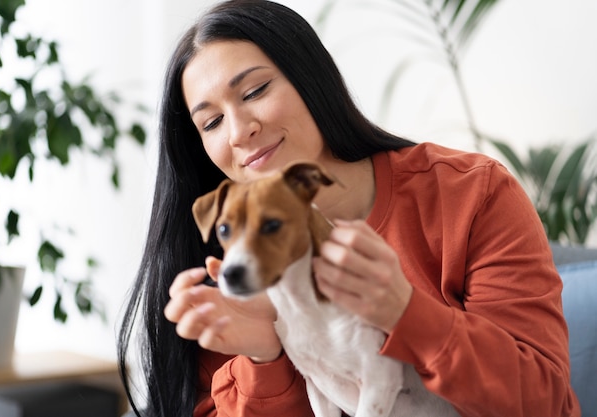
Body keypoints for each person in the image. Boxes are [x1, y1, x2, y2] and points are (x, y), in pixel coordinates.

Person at [117, 1, 580, 416]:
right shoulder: (226, 272)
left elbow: (544, 402)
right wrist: (264, 355)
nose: (239, 131)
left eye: (255, 91)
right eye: (212, 122)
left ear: (310, 78)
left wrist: (406, 312)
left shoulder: (468, 196)